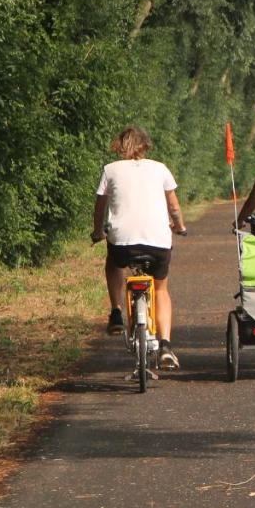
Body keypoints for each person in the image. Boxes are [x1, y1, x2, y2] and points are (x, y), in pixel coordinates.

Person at [91, 126, 187, 369]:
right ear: (146, 145)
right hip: (158, 241)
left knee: (114, 264)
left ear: (120, 145)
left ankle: (115, 312)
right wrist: (180, 226)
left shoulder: (110, 170)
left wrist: (97, 231)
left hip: (122, 242)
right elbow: (173, 207)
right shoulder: (160, 168)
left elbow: (100, 208)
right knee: (161, 289)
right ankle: (165, 345)